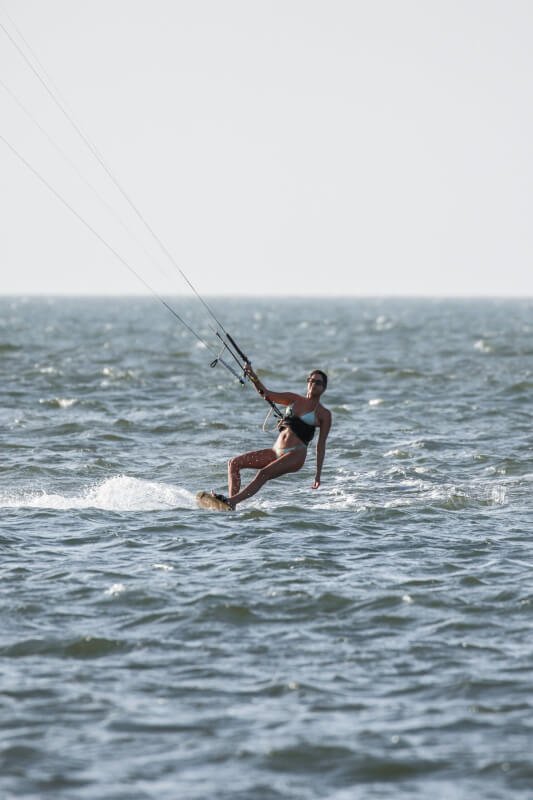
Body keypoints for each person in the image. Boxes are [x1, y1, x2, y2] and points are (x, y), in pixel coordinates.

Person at [213, 367, 332, 509]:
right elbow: (266, 394)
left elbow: (321, 445)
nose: (313, 384)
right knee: (234, 463)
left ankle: (231, 501)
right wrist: (253, 375)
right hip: (276, 451)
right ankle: (231, 504)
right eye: (311, 381)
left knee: (263, 473)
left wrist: (317, 475)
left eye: (317, 382)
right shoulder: (293, 399)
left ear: (323, 388)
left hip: (296, 454)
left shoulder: (324, 414)